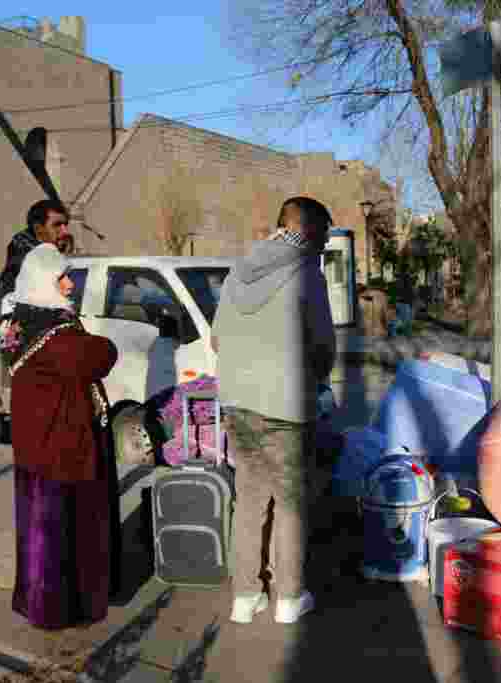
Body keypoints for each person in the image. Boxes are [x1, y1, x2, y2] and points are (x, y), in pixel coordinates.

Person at [212, 196, 336, 625]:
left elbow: (217, 341)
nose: (323, 246)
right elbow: (323, 347)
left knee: (247, 503)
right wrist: (317, 376)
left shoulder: (236, 272)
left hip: (238, 403)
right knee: (290, 504)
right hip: (285, 406)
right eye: (322, 235)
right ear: (306, 231)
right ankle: (288, 597)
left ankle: (245, 597)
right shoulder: (306, 273)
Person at [2, 243, 119, 629]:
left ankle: (38, 601)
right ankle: (59, 608)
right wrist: (101, 341)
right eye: (62, 278)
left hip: (37, 441)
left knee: (40, 530)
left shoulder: (17, 322)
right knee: (61, 531)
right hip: (62, 443)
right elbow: (98, 356)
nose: (71, 285)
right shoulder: (56, 332)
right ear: (41, 282)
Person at [0, 199, 71, 321]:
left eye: (65, 225)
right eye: (57, 225)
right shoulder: (28, 261)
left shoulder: (45, 255)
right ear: (38, 228)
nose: (65, 231)